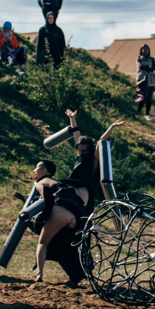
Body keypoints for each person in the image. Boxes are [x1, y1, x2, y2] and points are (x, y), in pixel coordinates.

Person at [33, 109, 123, 282]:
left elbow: (101, 142)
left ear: (88, 149)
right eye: (78, 149)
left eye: (83, 150)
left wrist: (111, 127)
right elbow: (76, 135)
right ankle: (72, 272)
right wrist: (72, 119)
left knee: (81, 237)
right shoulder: (80, 156)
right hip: (72, 188)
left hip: (84, 192)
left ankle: (83, 271)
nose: (80, 152)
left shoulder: (94, 158)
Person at [135, 44, 155, 120]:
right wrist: (148, 67)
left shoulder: (152, 59)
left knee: (149, 98)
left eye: (146, 49)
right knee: (142, 97)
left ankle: (147, 114)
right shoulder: (139, 58)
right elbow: (140, 67)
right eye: (143, 49)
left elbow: (154, 68)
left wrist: (146, 68)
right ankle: (137, 113)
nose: (145, 51)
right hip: (142, 79)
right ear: (141, 50)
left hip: (151, 79)